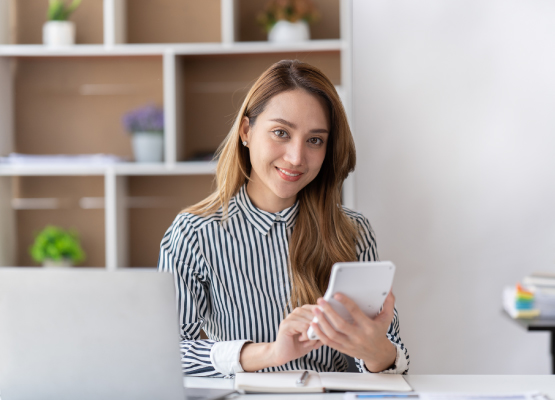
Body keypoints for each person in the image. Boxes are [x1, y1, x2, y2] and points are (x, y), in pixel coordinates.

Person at [158, 59, 409, 377]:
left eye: (315, 140)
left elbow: (384, 360)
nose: (296, 157)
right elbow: (166, 352)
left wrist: (378, 353)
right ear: (246, 131)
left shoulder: (352, 231)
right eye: (281, 132)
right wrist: (269, 354)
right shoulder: (193, 233)